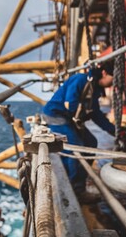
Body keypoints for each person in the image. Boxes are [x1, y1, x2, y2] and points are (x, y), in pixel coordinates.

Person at [42, 61, 115, 194]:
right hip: (56, 115)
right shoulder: (81, 80)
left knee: (91, 143)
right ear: (104, 73)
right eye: (113, 78)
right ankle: (69, 188)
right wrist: (80, 118)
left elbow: (96, 114)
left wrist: (113, 130)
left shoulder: (95, 89)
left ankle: (79, 185)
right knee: (75, 148)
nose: (114, 82)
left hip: (69, 119)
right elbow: (70, 102)